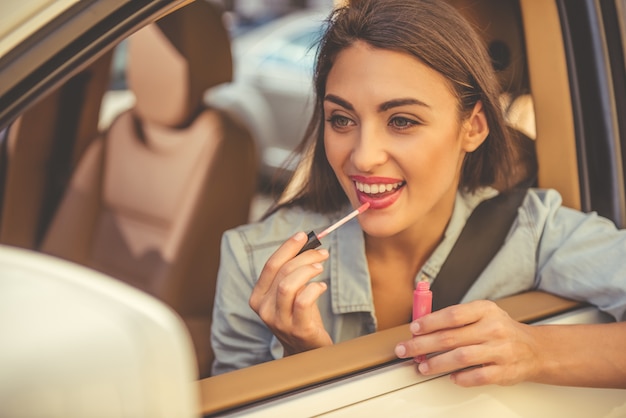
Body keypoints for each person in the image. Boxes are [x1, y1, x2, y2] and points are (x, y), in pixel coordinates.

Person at [210, 0, 626, 388]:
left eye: (402, 121)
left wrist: (535, 349)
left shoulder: (535, 232)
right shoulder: (253, 259)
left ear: (474, 128)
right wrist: (306, 361)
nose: (364, 157)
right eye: (341, 119)